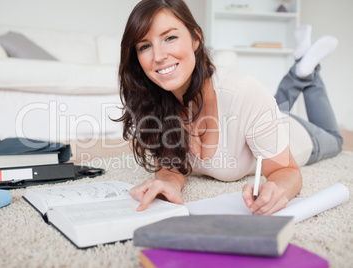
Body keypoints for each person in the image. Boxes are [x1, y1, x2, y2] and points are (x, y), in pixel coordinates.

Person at [117, 0, 343, 215]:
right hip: (260, 121)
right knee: (269, 106)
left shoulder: (242, 90)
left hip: (299, 135)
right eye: (145, 46)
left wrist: (277, 188)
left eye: (170, 37)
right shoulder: (156, 102)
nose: (158, 56)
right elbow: (170, 166)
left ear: (196, 38)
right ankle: (302, 67)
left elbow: (286, 170)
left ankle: (306, 72)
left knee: (336, 138)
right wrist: (168, 184)